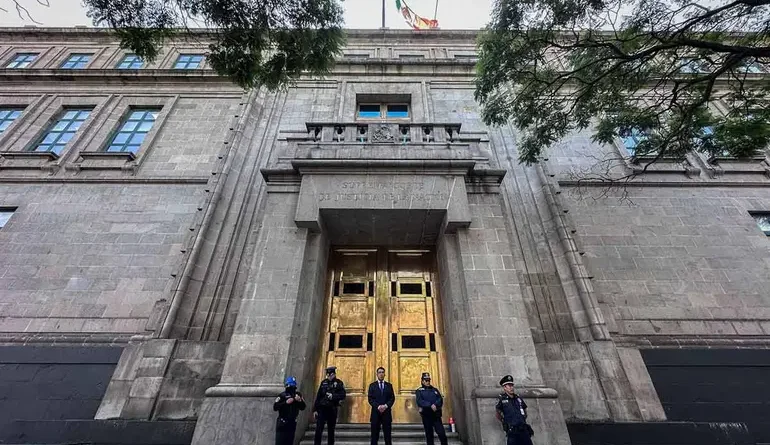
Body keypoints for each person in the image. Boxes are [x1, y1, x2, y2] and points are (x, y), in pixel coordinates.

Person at [495, 375, 534, 445]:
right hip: (512, 431)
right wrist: (505, 422)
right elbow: (498, 414)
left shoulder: (518, 398)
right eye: (509, 386)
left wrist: (521, 419)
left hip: (523, 430)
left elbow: (525, 411)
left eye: (512, 385)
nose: (511, 388)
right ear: (504, 387)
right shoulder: (502, 399)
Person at [313, 366, 346, 445]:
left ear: (334, 374)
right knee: (318, 430)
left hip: (332, 409)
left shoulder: (339, 383)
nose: (328, 377)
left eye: (330, 375)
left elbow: (343, 395)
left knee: (331, 431)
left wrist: (333, 396)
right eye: (327, 375)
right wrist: (315, 409)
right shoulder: (324, 382)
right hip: (322, 409)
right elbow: (318, 396)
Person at [415, 372, 448, 445]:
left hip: (436, 415)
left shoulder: (434, 390)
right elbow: (420, 401)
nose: (428, 382)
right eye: (426, 380)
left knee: (442, 434)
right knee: (429, 436)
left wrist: (435, 405)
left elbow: (440, 399)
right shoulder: (419, 391)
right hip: (427, 415)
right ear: (422, 381)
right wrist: (430, 405)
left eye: (428, 380)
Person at [273, 376, 306, 445]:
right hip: (282, 422)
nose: (292, 388)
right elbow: (275, 407)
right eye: (291, 386)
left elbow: (303, 407)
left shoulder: (298, 395)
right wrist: (285, 403)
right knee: (280, 442)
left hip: (292, 422)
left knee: (289, 441)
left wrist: (299, 401)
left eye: (293, 386)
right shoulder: (282, 395)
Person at [367, 366, 395, 445]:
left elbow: (392, 398)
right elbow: (370, 399)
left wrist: (386, 406)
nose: (381, 374)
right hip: (375, 414)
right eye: (379, 372)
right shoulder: (372, 385)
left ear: (384, 374)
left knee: (387, 436)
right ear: (377, 374)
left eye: (382, 372)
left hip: (386, 414)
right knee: (374, 437)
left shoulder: (389, 385)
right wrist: (378, 406)